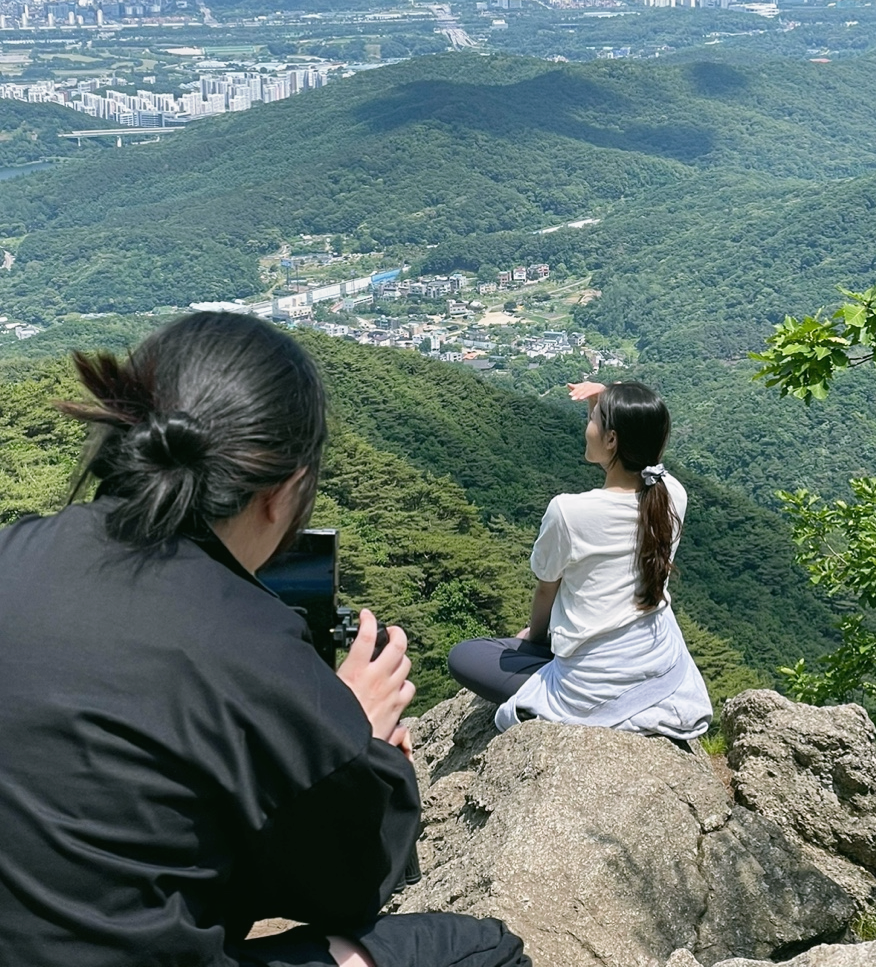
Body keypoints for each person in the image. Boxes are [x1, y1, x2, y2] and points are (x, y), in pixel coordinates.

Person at [0, 311, 529, 967]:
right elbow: (350, 889)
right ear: (282, 494)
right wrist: (356, 740)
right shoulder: (251, 643)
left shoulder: (13, 548)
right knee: (483, 950)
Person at [447, 380, 712, 739]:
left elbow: (546, 592)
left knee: (466, 654)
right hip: (655, 667)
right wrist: (605, 401)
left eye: (594, 419)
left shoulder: (568, 512)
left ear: (612, 439)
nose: (587, 425)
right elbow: (639, 456)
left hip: (590, 691)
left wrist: (534, 638)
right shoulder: (671, 495)